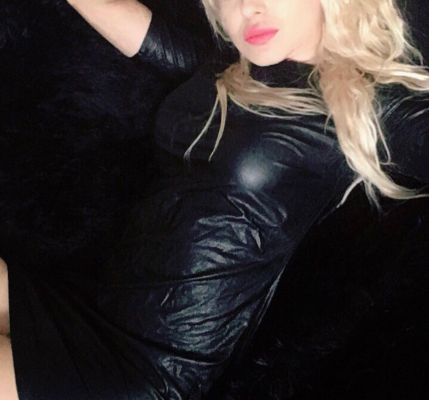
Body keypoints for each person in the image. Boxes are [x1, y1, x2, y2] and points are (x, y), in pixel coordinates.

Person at [1, 0, 429, 399]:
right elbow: (137, 30)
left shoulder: (365, 100)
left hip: (145, 372)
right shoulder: (229, 72)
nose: (248, 8)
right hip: (91, 304)